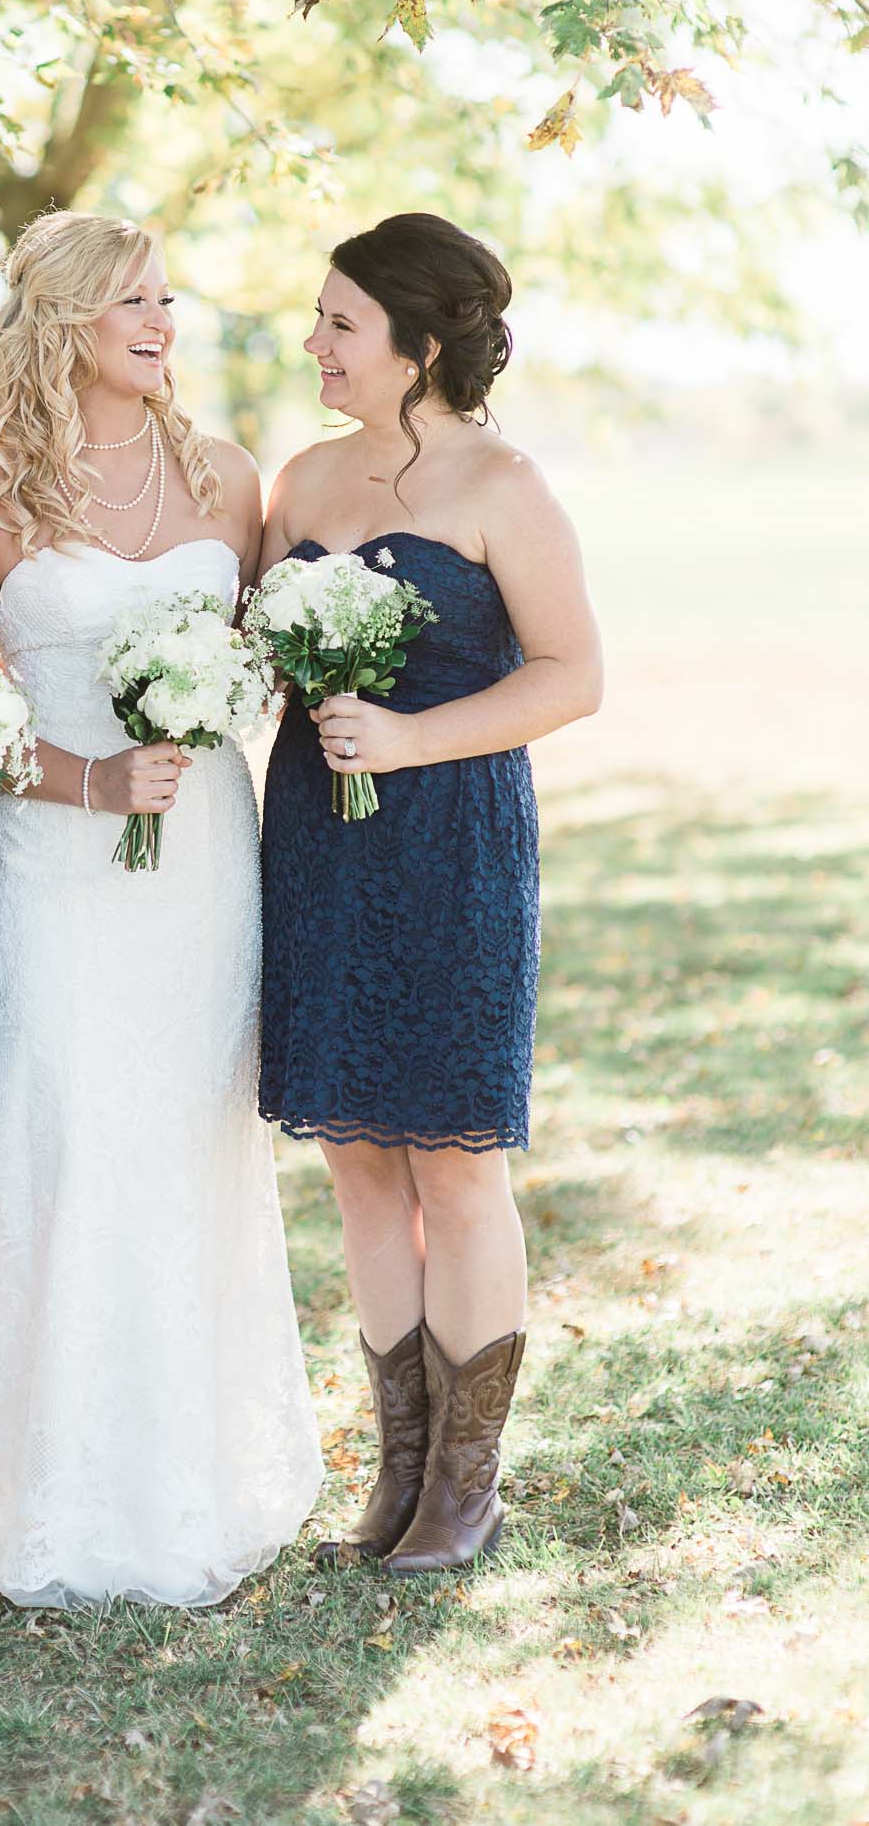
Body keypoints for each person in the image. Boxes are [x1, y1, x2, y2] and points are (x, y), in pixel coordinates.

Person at [0, 209, 323, 1606]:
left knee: (188, 1142)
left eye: (168, 299)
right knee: (68, 1135)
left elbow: (259, 672)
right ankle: (44, 1498)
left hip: (197, 867)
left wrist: (222, 711)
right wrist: (86, 775)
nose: (163, 322)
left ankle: (193, 1483)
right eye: (135, 300)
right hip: (49, 872)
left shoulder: (229, 478)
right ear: (66, 319)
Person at [258, 212, 602, 1574]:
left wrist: (407, 737)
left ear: (422, 346)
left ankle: (464, 1486)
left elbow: (571, 675)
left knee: (455, 1164)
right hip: (318, 845)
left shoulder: (503, 486)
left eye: (342, 324)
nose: (316, 343)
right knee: (356, 1160)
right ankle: (395, 1468)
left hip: (452, 840)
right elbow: (253, 650)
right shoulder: (299, 481)